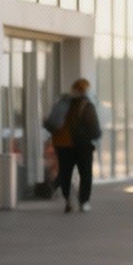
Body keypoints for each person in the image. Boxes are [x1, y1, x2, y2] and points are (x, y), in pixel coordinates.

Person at [43, 78, 101, 213]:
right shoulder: (86, 106)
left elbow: (51, 123)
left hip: (62, 144)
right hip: (82, 145)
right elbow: (94, 129)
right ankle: (84, 201)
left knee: (65, 173)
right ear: (86, 90)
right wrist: (94, 136)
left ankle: (68, 199)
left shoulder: (62, 103)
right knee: (85, 174)